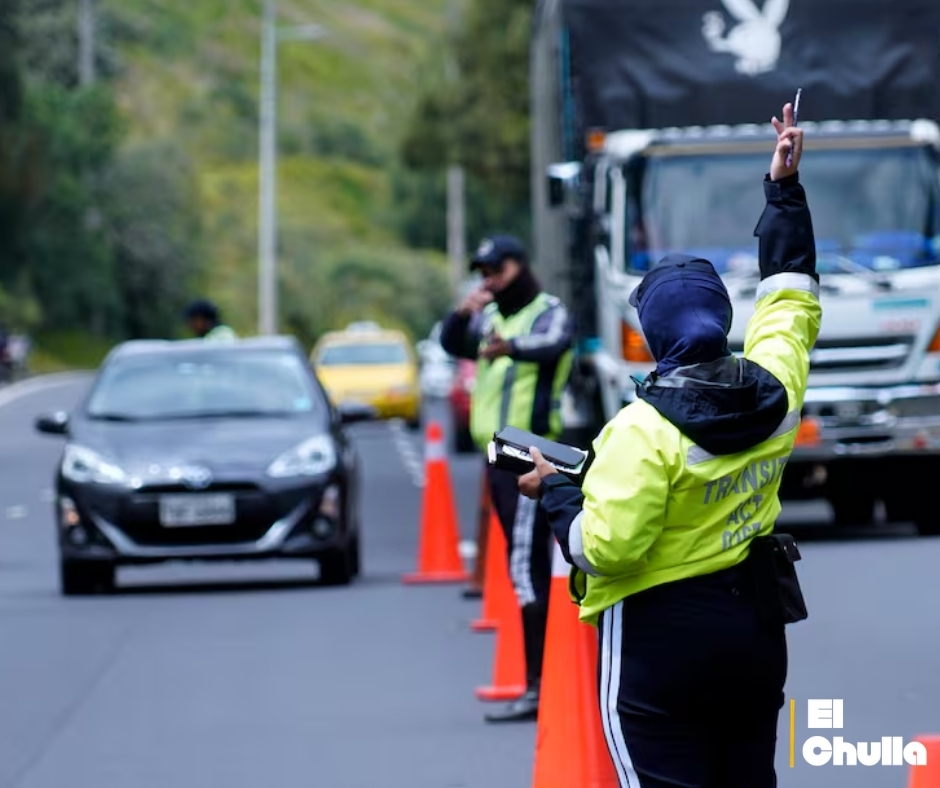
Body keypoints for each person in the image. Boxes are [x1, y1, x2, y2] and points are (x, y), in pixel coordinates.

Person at [518, 101, 820, 786]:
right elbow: (791, 300)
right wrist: (784, 193)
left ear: (654, 337)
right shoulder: (777, 388)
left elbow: (606, 548)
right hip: (754, 627)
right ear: (722, 318)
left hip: (660, 637)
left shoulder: (640, 432)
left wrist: (558, 492)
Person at [440, 234, 574, 723]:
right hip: (498, 455)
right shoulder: (490, 315)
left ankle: (541, 686)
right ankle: (548, 681)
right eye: (483, 273)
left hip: (530, 452)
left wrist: (509, 347)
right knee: (529, 567)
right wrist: (461, 314)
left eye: (497, 270)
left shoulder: (547, 311)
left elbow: (554, 343)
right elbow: (454, 345)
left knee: (525, 567)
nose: (490, 280)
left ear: (520, 265)